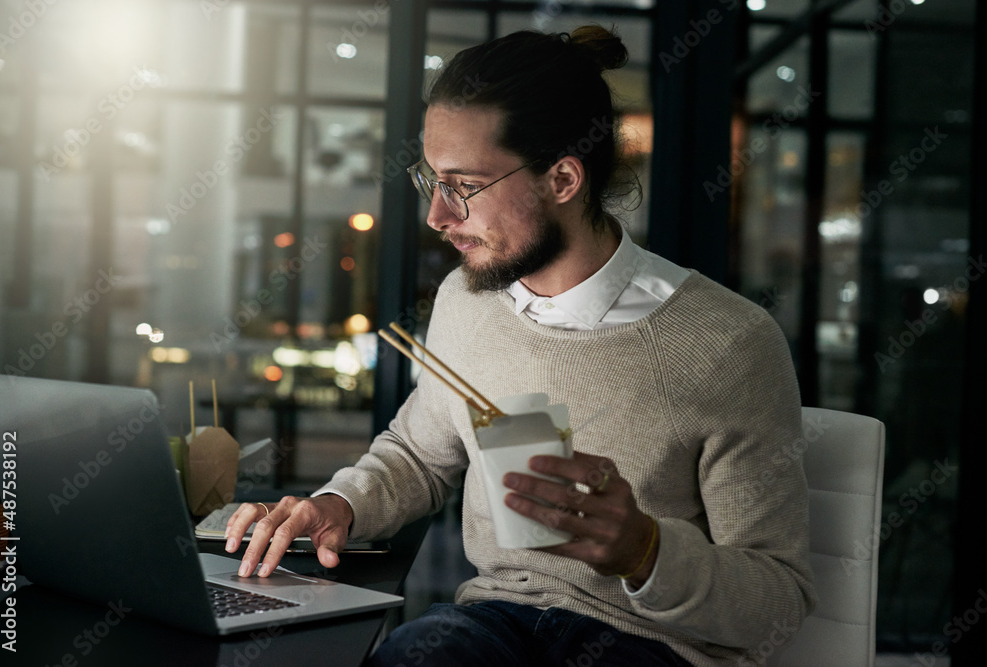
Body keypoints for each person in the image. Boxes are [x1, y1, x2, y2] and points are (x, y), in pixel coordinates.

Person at [225, 25, 816, 666]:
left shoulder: (730, 344)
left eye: (465, 186)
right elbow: (420, 456)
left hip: (656, 647)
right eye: (434, 182)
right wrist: (337, 504)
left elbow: (778, 600)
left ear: (562, 179)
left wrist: (647, 552)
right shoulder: (467, 299)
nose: (438, 217)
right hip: (495, 624)